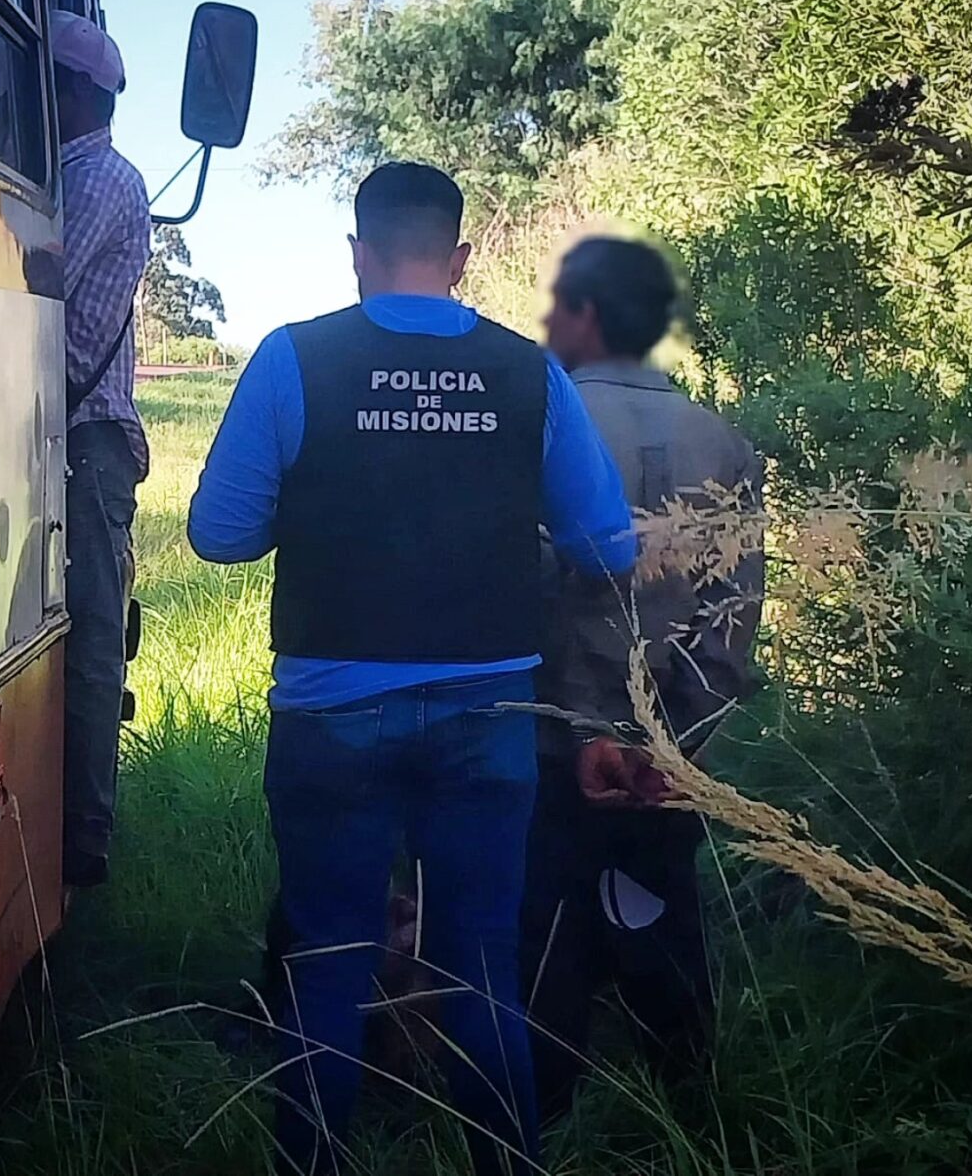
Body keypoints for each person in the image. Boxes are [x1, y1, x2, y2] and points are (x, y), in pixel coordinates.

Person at [188, 164, 636, 1175]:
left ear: (356, 255)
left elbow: (218, 534)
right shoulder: (527, 373)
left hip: (329, 718)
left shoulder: (293, 358)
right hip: (488, 715)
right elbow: (607, 547)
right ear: (460, 257)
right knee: (484, 964)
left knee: (328, 965)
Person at [522, 234, 765, 1116]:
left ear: (584, 316)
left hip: (553, 741)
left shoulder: (541, 424)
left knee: (544, 922)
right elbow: (732, 619)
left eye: (558, 308)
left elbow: (535, 599)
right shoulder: (724, 442)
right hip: (674, 754)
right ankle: (690, 1104)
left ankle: (544, 1106)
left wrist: (586, 729)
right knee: (664, 910)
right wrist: (674, 742)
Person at [52, 11, 151, 889]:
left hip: (88, 441)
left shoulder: (99, 180)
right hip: (69, 437)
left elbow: (39, 281)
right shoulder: (72, 174)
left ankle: (85, 840)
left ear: (73, 89)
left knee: (89, 640)